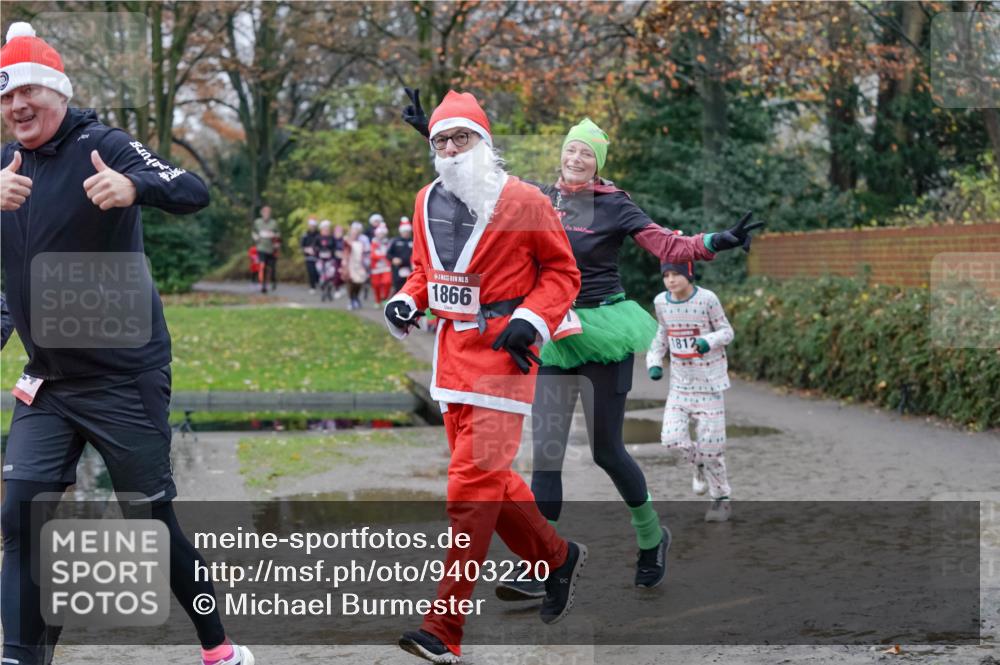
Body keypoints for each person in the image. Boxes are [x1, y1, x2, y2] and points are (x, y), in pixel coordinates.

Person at [402, 90, 762, 593]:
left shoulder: (614, 206)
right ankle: (540, 568)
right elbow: (477, 177)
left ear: (598, 164)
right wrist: (440, 132)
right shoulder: (536, 196)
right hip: (550, 328)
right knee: (546, 453)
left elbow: (663, 242)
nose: (575, 159)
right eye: (571, 149)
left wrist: (715, 242)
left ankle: (650, 536)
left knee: (607, 451)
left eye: (586, 153)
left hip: (603, 330)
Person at [0, 22, 254, 665]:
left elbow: (193, 190)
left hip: (122, 377)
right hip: (48, 384)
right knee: (20, 520)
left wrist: (135, 186)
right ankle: (22, 654)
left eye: (30, 90)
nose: (17, 106)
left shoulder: (103, 143)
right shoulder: (3, 168)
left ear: (58, 93)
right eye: (5, 96)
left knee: (152, 523)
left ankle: (218, 649)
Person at [384, 90, 586, 664]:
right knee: (491, 485)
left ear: (484, 142)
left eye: (461, 137)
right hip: (450, 362)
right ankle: (557, 557)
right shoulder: (425, 199)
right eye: (441, 140)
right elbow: (426, 272)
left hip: (504, 361)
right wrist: (406, 299)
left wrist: (530, 319)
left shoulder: (524, 201)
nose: (450, 148)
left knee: (468, 491)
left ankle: (443, 630)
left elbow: (562, 273)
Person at [647, 260, 735, 522]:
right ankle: (698, 465)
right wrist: (653, 361)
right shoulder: (661, 302)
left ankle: (721, 499)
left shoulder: (707, 299)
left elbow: (727, 332)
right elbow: (662, 334)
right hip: (680, 386)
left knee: (712, 450)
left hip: (709, 385)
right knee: (671, 440)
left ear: (689, 274)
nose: (671, 280)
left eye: (676, 274)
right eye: (666, 275)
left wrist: (708, 341)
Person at [252, 204, 280, 293]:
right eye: (265, 212)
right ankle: (263, 285)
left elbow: (278, 234)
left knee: (272, 267)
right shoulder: (257, 222)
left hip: (271, 248)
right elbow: (253, 232)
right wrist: (256, 237)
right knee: (262, 266)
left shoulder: (274, 223)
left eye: (268, 212)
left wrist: (274, 236)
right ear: (262, 213)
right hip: (261, 247)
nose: (266, 214)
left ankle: (273, 281)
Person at [342, 221, 369, 310]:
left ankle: (356, 297)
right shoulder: (347, 242)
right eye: (353, 233)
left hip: (359, 265)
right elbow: (345, 251)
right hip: (350, 265)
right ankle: (351, 299)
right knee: (350, 282)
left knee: (359, 282)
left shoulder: (361, 243)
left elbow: (365, 252)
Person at [387, 218, 415, 295]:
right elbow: (388, 254)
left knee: (409, 286)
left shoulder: (413, 241)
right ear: (401, 231)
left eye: (407, 231)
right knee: (397, 286)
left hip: (410, 268)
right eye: (404, 231)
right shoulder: (395, 241)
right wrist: (393, 259)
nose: (406, 233)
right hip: (397, 268)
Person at [314, 220, 339, 302]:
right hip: (320, 260)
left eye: (327, 228)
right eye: (324, 228)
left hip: (330, 260)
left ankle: (329, 291)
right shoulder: (318, 238)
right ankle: (323, 291)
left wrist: (332, 252)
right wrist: (318, 251)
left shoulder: (332, 238)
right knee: (322, 277)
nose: (326, 230)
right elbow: (314, 247)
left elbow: (335, 248)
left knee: (330, 276)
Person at [369, 223, 393, 306]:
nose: (381, 235)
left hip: (386, 267)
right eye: (379, 233)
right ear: (377, 234)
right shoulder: (373, 242)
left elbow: (389, 254)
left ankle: (385, 297)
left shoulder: (388, 242)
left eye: (382, 233)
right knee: (376, 285)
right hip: (376, 268)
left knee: (387, 282)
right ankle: (377, 300)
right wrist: (383, 256)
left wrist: (383, 256)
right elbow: (372, 255)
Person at [301, 216, 320, 293]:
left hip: (317, 257)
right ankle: (312, 287)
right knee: (311, 272)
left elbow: (321, 245)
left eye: (313, 226)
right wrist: (306, 250)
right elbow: (302, 246)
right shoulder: (305, 235)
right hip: (308, 257)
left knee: (317, 272)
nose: (312, 227)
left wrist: (315, 250)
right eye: (311, 225)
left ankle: (318, 283)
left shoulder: (318, 235)